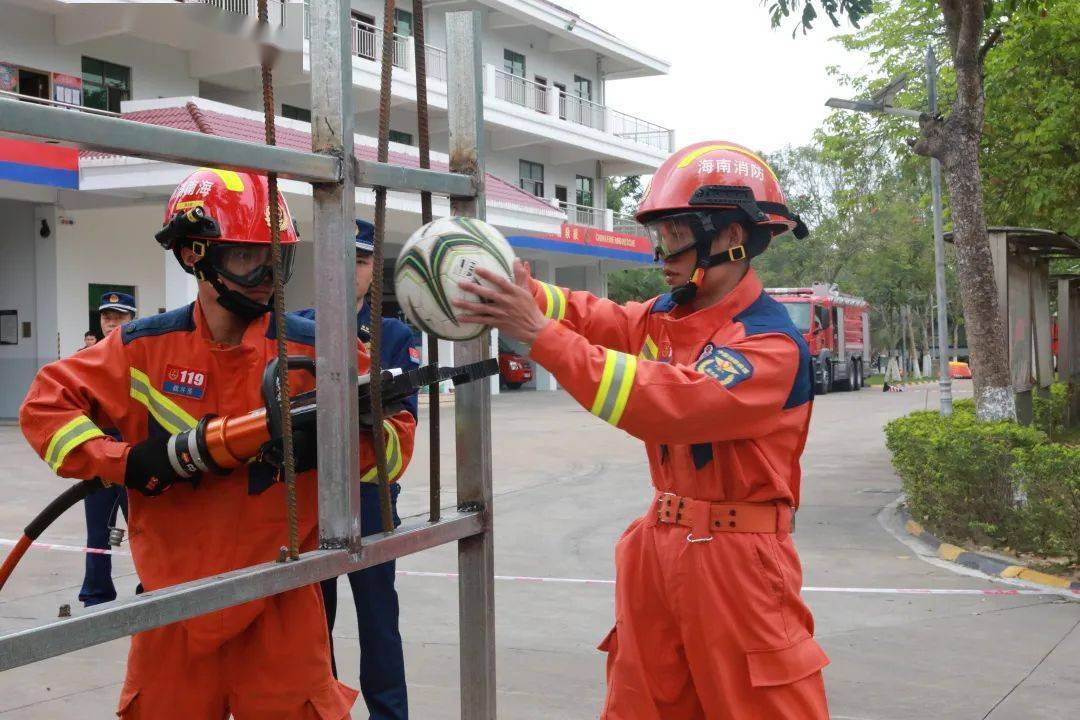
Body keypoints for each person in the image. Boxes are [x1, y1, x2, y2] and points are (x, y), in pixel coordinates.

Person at [20, 168, 415, 719]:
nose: (267, 275)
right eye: (248, 256)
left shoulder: (318, 351)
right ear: (194, 254)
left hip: (281, 602)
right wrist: (125, 462)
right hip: (172, 609)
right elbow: (45, 406)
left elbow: (396, 439)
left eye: (276, 257)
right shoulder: (143, 348)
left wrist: (337, 447)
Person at [454, 141, 830, 719]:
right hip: (659, 547)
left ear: (731, 236)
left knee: (758, 706)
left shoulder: (768, 345)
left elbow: (667, 402)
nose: (662, 253)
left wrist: (538, 334)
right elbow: (597, 317)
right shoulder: (667, 317)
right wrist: (527, 293)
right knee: (641, 703)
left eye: (676, 234)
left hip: (738, 563)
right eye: (661, 234)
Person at [295, 218, 418, 720]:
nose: (350, 270)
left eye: (362, 260)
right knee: (310, 623)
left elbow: (402, 417)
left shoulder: (393, 334)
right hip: (308, 498)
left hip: (371, 500)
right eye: (341, 258)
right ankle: (320, 711)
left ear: (373, 271)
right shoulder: (292, 326)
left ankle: (389, 714)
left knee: (378, 621)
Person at [77, 291, 137, 606]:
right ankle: (96, 593)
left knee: (143, 527)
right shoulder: (86, 358)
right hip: (99, 453)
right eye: (106, 317)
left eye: (119, 317)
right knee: (97, 530)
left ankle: (154, 584)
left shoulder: (143, 355)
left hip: (134, 454)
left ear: (132, 319)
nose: (111, 323)